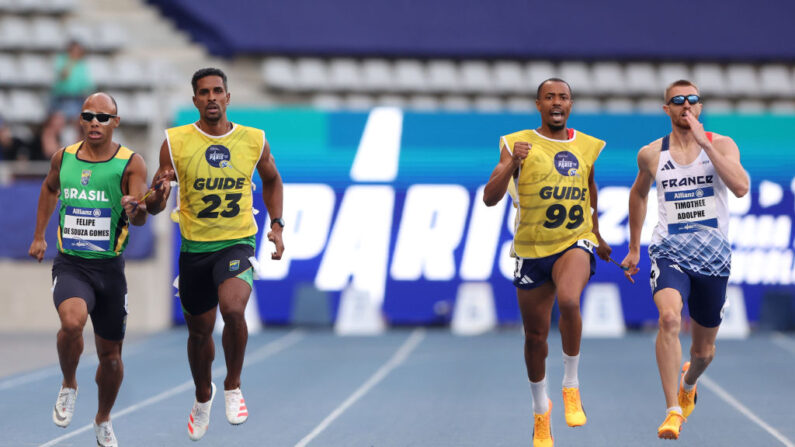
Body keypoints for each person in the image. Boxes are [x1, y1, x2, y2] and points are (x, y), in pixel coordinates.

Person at [145, 67, 285, 441]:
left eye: (217, 91)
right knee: (199, 334)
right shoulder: (175, 142)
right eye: (203, 92)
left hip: (237, 242)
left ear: (227, 97)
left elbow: (271, 179)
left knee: (234, 309)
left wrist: (277, 224)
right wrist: (157, 195)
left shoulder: (254, 140)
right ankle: (202, 394)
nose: (211, 97)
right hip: (194, 249)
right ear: (194, 100)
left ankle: (233, 386)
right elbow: (156, 203)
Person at [483, 78, 611, 447]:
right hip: (531, 249)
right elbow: (490, 198)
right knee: (535, 337)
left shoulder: (586, 145)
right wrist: (511, 164)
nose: (557, 102)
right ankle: (541, 412)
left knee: (570, 300)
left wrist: (597, 235)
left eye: (564, 97)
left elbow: (589, 188)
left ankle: (571, 384)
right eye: (550, 97)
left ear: (570, 105)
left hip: (574, 240)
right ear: (538, 104)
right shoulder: (515, 143)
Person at [620, 80, 749, 440]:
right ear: (667, 110)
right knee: (669, 317)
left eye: (692, 100)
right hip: (669, 251)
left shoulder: (721, 144)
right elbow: (638, 195)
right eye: (678, 101)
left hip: (713, 259)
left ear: (700, 106)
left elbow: (740, 187)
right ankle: (672, 411)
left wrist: (705, 142)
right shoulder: (651, 154)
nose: (686, 106)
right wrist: (633, 247)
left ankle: (689, 383)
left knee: (704, 352)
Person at [28, 92, 149, 447]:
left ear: (116, 122)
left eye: (103, 117)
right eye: (88, 116)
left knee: (110, 359)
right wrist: (39, 235)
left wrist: (134, 208)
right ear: (80, 121)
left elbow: (141, 215)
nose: (95, 122)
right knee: (71, 322)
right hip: (72, 265)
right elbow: (49, 189)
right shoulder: (62, 158)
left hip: (110, 270)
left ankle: (103, 419)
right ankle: (68, 383)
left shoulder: (131, 163)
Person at [51, 40, 94, 120]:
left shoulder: (82, 65)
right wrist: (71, 62)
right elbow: (63, 76)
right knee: (57, 121)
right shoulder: (62, 60)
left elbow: (87, 85)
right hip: (62, 98)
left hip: (77, 98)